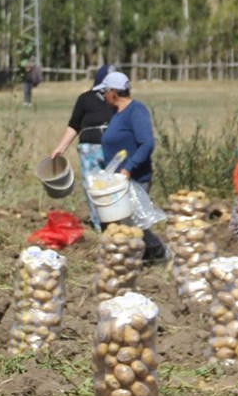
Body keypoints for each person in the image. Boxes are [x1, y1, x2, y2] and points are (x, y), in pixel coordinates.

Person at [98, 71, 164, 262]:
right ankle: (133, 260)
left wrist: (129, 167)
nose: (103, 97)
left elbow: (147, 143)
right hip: (117, 180)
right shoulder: (116, 113)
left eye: (104, 92)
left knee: (136, 223)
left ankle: (160, 253)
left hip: (134, 177)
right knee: (121, 223)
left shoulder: (136, 111)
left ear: (113, 92)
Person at [50, 64, 117, 231]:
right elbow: (74, 125)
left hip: (114, 149)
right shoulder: (85, 99)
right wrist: (61, 147)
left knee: (114, 185)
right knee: (93, 187)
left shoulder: (119, 100)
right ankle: (100, 225)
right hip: (90, 150)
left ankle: (116, 222)